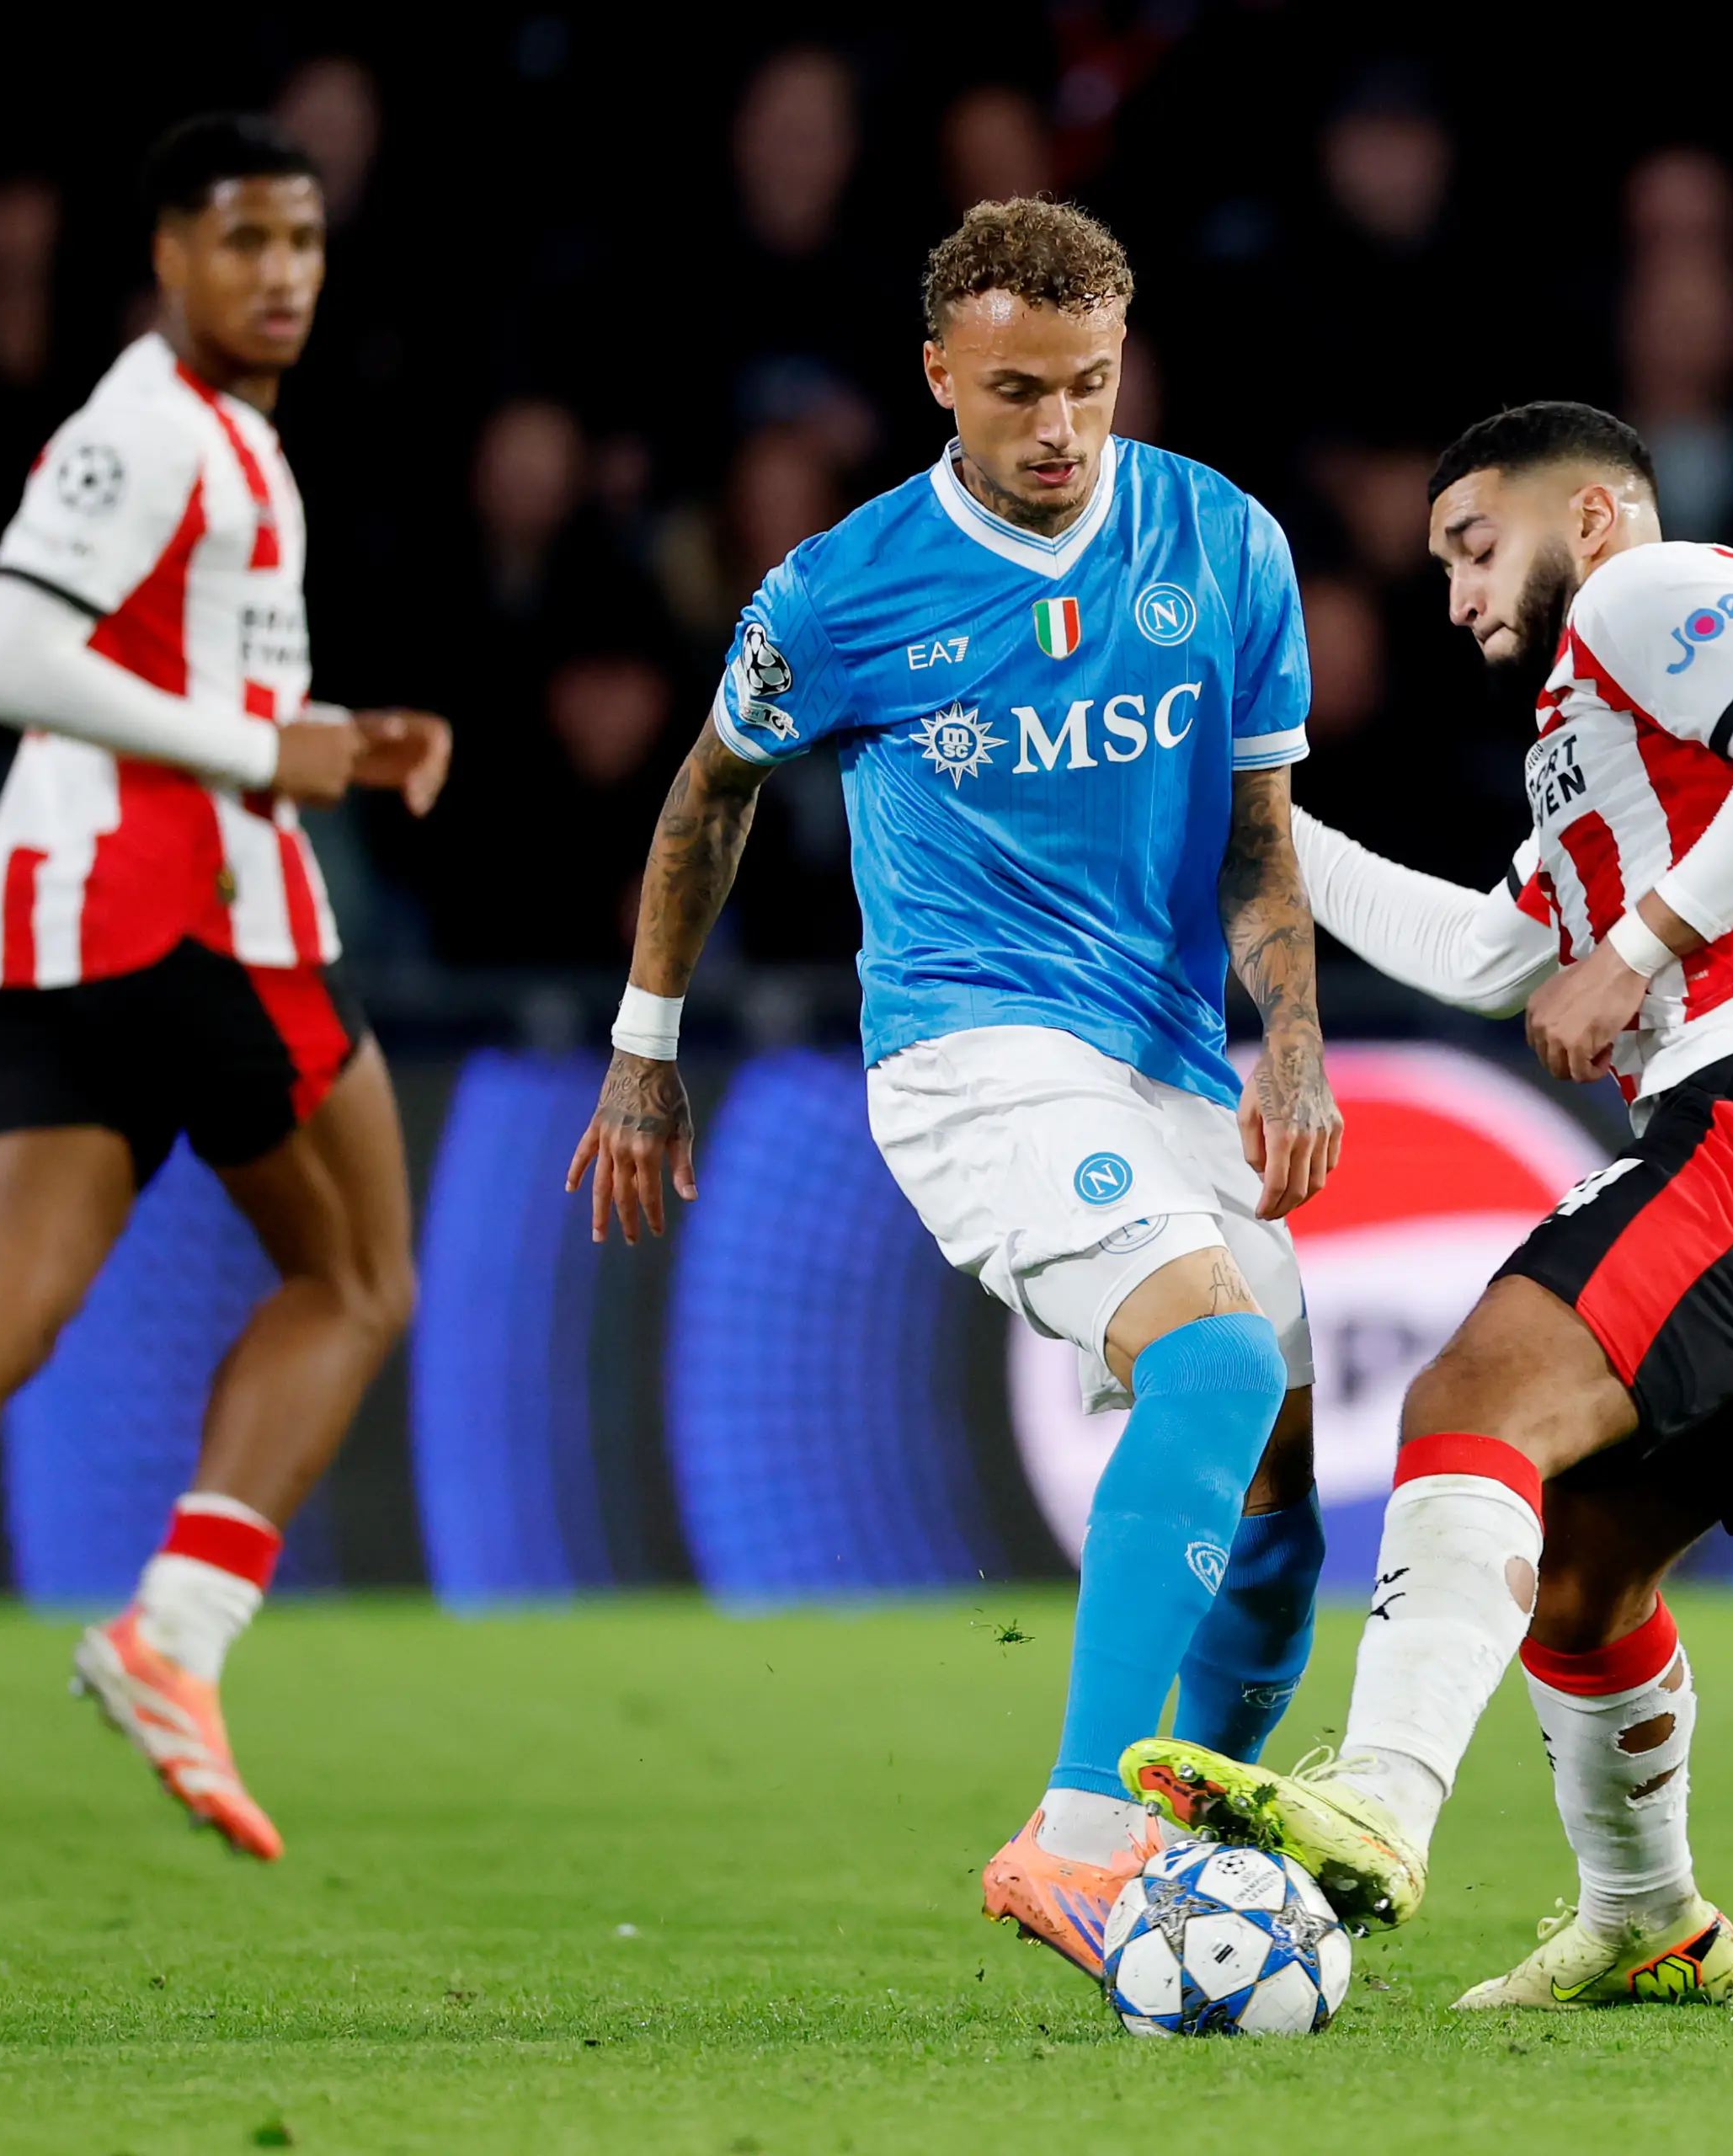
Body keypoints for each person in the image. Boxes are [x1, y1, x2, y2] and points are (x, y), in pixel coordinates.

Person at [565, 200, 1336, 1980]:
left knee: (1280, 1499)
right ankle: (1075, 1839)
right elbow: (708, 793)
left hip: (1163, 1060)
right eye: (1016, 392)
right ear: (938, 377)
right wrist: (643, 1044)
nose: (1061, 428)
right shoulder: (841, 591)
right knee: (1216, 1362)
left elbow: (1258, 840)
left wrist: (1290, 1043)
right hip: (971, 1055)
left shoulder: (1225, 540)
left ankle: (1201, 1852)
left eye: (1090, 384)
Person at [1120, 402, 1733, 2011]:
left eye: (1474, 545)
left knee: (1471, 1402)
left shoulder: (1653, 591)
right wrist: (1261, 827)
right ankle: (1649, 1918)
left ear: (1588, 514)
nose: (1455, 596)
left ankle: (1381, 1795)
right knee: (1578, 1575)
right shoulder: (1593, 737)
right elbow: (1491, 956)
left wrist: (1638, 950)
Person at [0, 115, 451, 1885]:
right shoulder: (147, 424)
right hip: (193, 913)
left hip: (56, 924)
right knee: (361, 1275)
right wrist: (264, 753)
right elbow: (5, 657)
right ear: (167, 258)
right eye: (244, 240)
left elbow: (170, 677)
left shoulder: (223, 438)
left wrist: (333, 739)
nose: (281, 273)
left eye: (303, 240)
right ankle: (176, 1634)